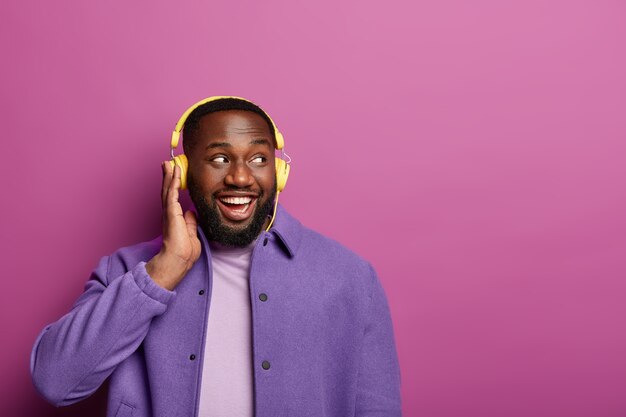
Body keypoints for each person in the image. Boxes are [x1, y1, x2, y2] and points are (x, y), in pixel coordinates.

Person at [30, 96, 401, 417]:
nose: (240, 178)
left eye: (258, 158)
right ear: (184, 172)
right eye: (220, 158)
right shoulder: (126, 270)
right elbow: (55, 382)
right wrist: (159, 275)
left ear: (280, 171)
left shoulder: (350, 277)